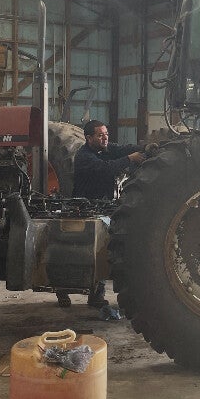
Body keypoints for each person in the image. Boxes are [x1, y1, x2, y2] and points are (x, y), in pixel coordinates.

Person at [56, 120, 148, 308]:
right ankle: (62, 290)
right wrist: (130, 159)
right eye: (100, 135)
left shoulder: (106, 148)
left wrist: (145, 147)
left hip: (103, 208)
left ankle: (96, 296)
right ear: (89, 138)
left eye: (106, 134)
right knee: (78, 254)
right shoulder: (84, 157)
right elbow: (106, 169)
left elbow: (122, 148)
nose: (105, 138)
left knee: (103, 251)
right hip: (84, 210)